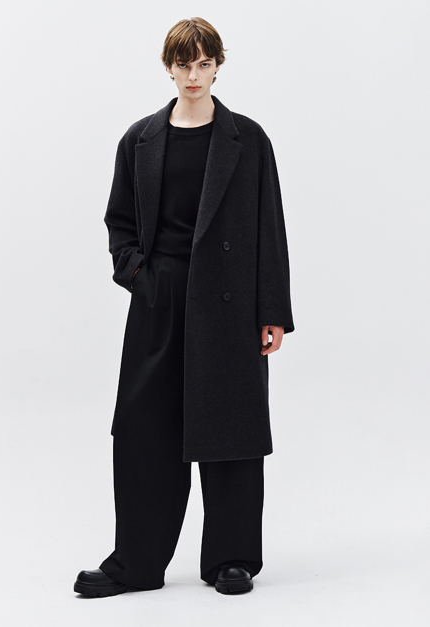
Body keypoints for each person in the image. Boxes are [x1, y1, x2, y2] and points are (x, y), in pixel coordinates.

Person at [74, 16, 294, 598]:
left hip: (230, 302)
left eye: (204, 63)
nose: (193, 74)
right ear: (168, 67)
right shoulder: (140, 139)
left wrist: (272, 310)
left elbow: (269, 226)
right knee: (144, 431)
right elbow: (120, 221)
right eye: (183, 63)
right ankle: (136, 564)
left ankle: (232, 559)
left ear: (218, 66)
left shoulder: (248, 139)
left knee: (232, 427)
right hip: (161, 298)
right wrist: (139, 277)